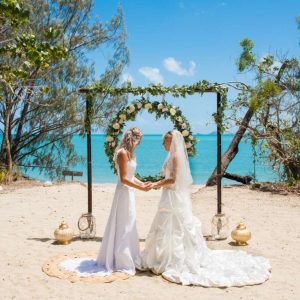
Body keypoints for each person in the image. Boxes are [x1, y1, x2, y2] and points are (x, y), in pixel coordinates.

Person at [138, 130, 271, 287]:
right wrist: (158, 183)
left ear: (172, 142)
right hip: (169, 196)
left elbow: (172, 180)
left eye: (165, 141)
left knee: (176, 226)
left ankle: (171, 258)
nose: (163, 144)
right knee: (168, 226)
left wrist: (155, 184)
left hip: (173, 197)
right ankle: (163, 255)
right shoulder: (172, 156)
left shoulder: (174, 157)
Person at [96, 127, 152, 275]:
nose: (139, 144)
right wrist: (141, 189)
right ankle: (121, 259)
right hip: (123, 194)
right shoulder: (122, 153)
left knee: (130, 224)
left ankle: (130, 256)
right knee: (123, 225)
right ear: (133, 139)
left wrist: (142, 183)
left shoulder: (130, 154)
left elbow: (131, 176)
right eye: (139, 141)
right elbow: (123, 179)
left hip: (130, 193)